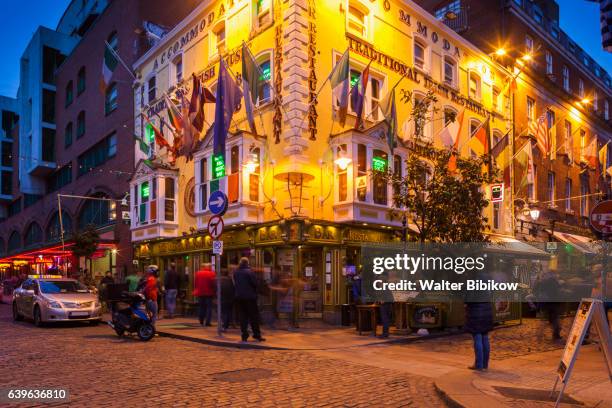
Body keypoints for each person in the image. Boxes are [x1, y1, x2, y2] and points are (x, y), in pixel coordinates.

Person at [233, 257, 265, 342]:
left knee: (243, 317)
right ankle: (256, 335)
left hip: (239, 297)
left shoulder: (236, 272)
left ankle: (244, 335)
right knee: (253, 316)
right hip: (250, 297)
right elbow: (255, 283)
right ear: (247, 263)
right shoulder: (249, 272)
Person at [464, 302, 493, 371]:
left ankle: (479, 365)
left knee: (477, 337)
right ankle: (485, 365)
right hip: (487, 312)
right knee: (485, 337)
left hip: (475, 313)